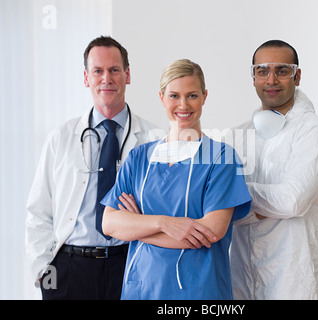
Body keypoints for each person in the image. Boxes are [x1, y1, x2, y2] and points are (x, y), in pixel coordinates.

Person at [101, 59, 251, 300]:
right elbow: (109, 224)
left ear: (204, 96)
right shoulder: (139, 158)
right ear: (161, 97)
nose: (183, 105)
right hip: (141, 289)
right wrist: (163, 223)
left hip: (198, 291)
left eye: (192, 95)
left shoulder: (221, 158)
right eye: (174, 96)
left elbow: (209, 233)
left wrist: (136, 226)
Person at [25, 36, 160, 300]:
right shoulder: (61, 137)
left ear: (127, 75)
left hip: (129, 264)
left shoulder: (154, 139)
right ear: (86, 78)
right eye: (97, 71)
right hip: (69, 269)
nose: (106, 79)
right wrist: (44, 272)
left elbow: (164, 209)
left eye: (114, 70)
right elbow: (39, 211)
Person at [229, 40, 318, 300]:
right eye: (263, 71)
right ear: (253, 77)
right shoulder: (238, 135)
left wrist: (237, 197)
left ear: (297, 76)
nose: (272, 79)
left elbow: (292, 201)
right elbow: (221, 210)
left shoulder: (315, 132)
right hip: (241, 275)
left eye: (282, 70)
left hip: (294, 278)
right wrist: (259, 208)